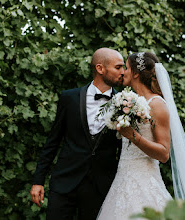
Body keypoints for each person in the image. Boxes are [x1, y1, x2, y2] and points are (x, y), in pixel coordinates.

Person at [97, 52, 185, 220]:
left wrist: (133, 135)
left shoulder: (157, 104)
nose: (123, 72)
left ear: (135, 73)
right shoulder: (130, 102)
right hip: (122, 180)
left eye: (126, 68)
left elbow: (164, 154)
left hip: (145, 180)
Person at [30, 48, 125, 220]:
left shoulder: (125, 104)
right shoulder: (69, 98)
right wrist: (38, 180)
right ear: (100, 68)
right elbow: (53, 140)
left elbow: (123, 148)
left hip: (100, 185)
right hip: (65, 180)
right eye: (118, 67)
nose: (123, 72)